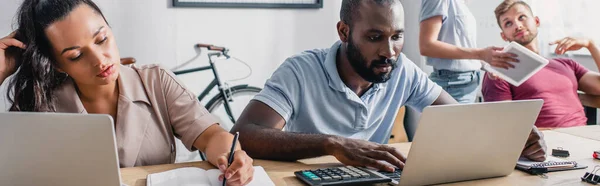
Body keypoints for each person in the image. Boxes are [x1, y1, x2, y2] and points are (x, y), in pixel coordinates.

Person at [231, 0, 547, 173]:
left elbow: (461, 116)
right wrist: (333, 143)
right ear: (344, 32)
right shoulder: (300, 70)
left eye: (396, 36)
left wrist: (512, 135)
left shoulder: (402, 70)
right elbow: (244, 135)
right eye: (374, 37)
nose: (389, 51)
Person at [0, 0, 253, 184]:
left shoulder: (156, 81)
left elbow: (210, 136)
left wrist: (232, 156)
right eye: (76, 56)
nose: (100, 60)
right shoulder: (43, 104)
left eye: (102, 39)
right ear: (57, 64)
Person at [482, 0, 600, 128]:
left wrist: (591, 45)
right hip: (546, 143)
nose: (518, 26)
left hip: (585, 138)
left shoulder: (567, 64)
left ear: (536, 21)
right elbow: (505, 127)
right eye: (508, 23)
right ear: (504, 36)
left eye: (521, 17)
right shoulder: (500, 73)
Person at [419, 0, 518, 103]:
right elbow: (427, 46)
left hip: (467, 84)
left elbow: (461, 53)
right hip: (452, 85)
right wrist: (481, 54)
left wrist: (489, 64)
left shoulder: (461, 4)